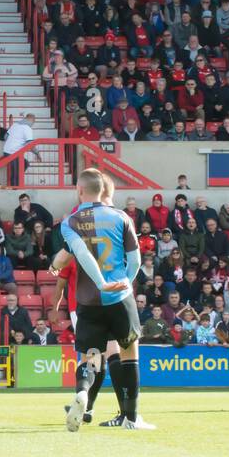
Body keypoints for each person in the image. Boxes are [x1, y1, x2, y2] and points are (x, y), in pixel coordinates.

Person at [56, 168, 150, 431]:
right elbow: (136, 260)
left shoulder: (70, 222)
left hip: (86, 303)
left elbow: (64, 264)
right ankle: (131, 418)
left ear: (79, 190)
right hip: (119, 297)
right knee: (128, 352)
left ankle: (84, 394)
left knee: (90, 358)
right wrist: (125, 283)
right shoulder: (121, 217)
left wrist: (56, 271)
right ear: (105, 191)